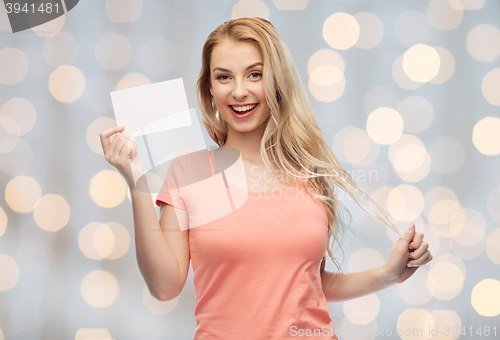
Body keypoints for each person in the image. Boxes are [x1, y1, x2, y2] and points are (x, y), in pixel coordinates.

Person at [99, 17, 433, 340]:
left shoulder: (307, 172)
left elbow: (305, 282)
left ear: (276, 80)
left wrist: (388, 274)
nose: (239, 91)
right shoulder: (194, 173)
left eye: (254, 74)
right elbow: (164, 287)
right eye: (224, 77)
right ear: (210, 88)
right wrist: (138, 184)